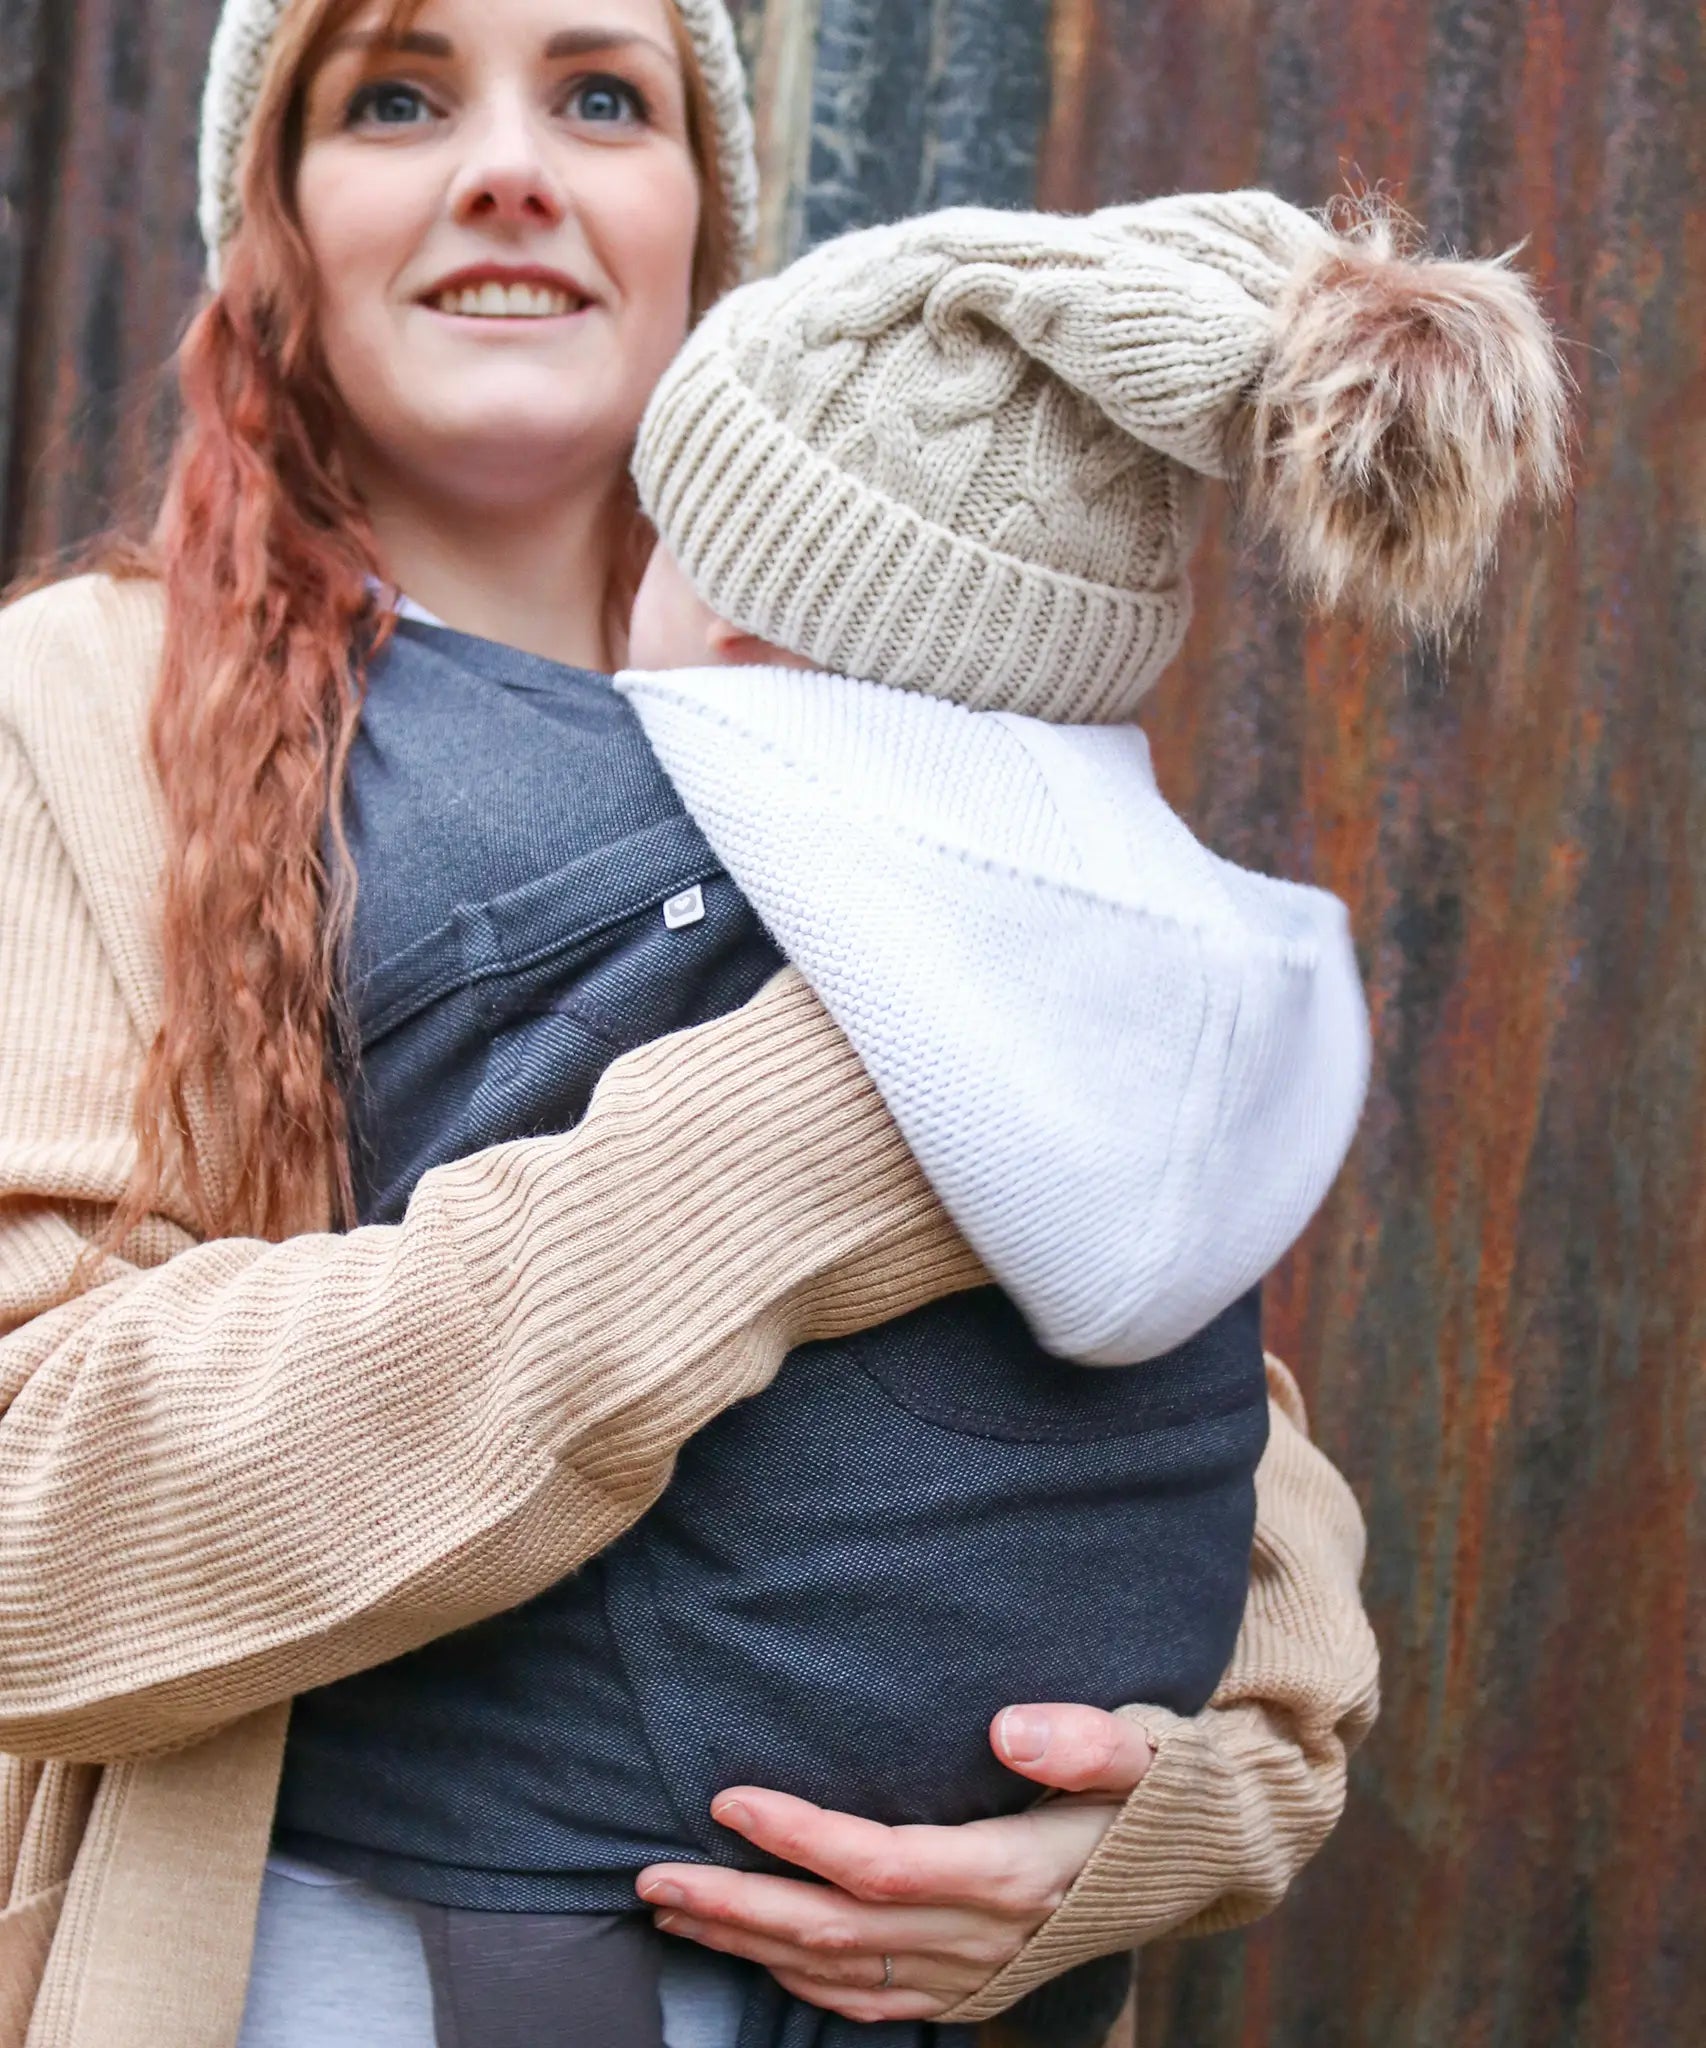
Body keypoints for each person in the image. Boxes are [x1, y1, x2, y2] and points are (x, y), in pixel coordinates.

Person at [0, 4, 1383, 2046]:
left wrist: (1177, 1809)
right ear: (270, 220)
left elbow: (1186, 1410)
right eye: (397, 97)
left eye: (599, 98)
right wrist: (810, 1130)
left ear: (705, 231)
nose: (507, 168)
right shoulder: (80, 707)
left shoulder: (910, 734)